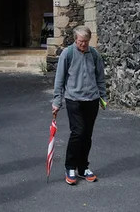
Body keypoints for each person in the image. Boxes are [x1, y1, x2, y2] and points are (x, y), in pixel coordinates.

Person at [52, 26, 107, 186]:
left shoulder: (94, 54)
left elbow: (100, 77)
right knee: (78, 132)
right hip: (73, 99)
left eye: (86, 42)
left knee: (87, 135)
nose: (83, 44)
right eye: (80, 41)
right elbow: (59, 79)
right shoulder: (67, 54)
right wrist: (57, 101)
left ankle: (83, 168)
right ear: (75, 39)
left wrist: (103, 96)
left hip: (92, 100)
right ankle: (70, 167)